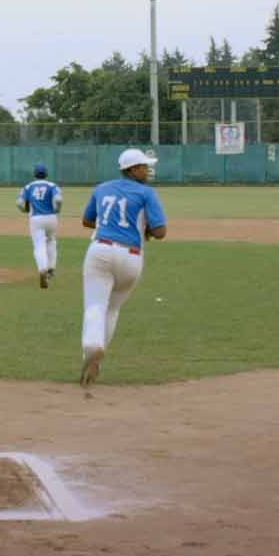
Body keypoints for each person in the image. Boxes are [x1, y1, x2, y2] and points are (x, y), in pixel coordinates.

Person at [78, 149, 168, 390]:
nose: (147, 170)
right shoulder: (147, 193)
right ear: (131, 169)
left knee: (95, 305)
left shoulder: (102, 188)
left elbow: (87, 221)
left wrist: (108, 223)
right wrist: (145, 230)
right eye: (143, 166)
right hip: (131, 256)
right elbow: (160, 232)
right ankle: (99, 354)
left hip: (100, 250)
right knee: (113, 309)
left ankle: (92, 346)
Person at [17, 163, 62, 289]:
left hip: (36, 218)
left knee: (39, 246)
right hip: (52, 218)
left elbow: (19, 203)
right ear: (46, 174)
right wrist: (57, 209)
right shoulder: (52, 186)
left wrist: (24, 210)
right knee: (51, 241)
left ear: (34, 174)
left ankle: (42, 269)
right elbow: (58, 200)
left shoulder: (28, 187)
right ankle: (51, 268)